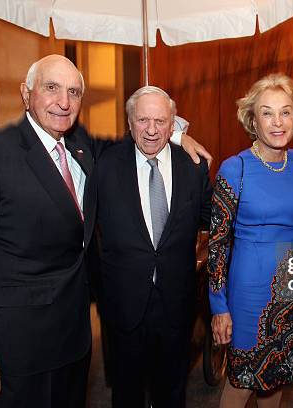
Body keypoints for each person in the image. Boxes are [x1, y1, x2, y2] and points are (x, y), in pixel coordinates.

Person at [0, 54, 210, 407]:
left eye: (73, 92)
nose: (64, 102)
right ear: (26, 93)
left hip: (74, 337)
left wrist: (178, 135)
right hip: (18, 346)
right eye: (51, 88)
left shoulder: (82, 149)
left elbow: (144, 137)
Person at [91, 86, 212, 408]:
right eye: (143, 120)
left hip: (176, 303)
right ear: (129, 123)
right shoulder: (104, 166)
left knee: (172, 390)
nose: (152, 129)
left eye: (161, 121)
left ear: (174, 125)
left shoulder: (194, 167)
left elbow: (210, 222)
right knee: (126, 392)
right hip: (123, 305)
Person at [208, 73, 293, 408]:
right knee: (241, 382)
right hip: (250, 295)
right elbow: (218, 244)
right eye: (267, 113)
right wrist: (219, 307)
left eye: (285, 112)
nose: (277, 122)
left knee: (276, 377)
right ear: (253, 119)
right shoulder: (234, 168)